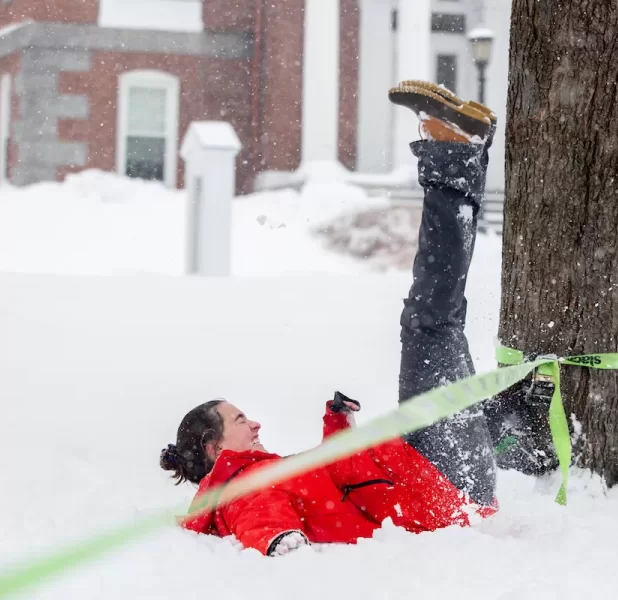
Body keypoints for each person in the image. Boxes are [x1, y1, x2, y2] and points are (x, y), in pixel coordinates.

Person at [161, 81, 514, 557]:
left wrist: (336, 428)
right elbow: (262, 520)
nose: (256, 423)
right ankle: (455, 152)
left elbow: (339, 489)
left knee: (437, 322)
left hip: (430, 479)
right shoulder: (239, 487)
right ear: (213, 446)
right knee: (430, 324)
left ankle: (460, 153)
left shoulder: (257, 473)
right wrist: (280, 541)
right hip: (436, 488)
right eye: (240, 419)